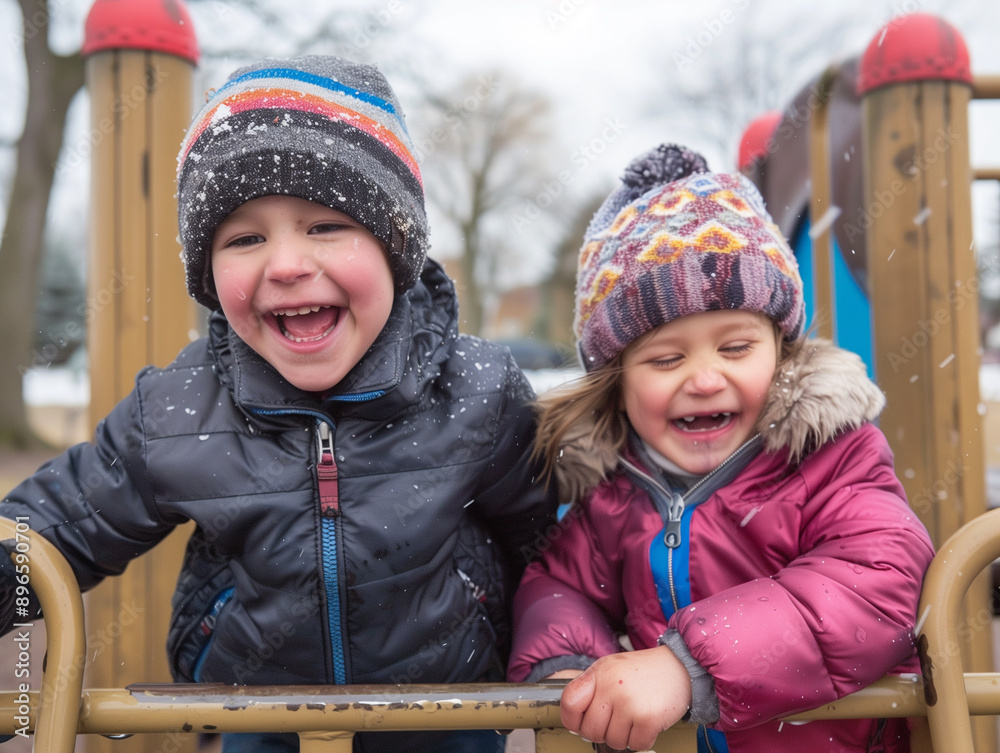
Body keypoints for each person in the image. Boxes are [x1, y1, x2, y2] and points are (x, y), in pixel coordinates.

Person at [0, 55, 557, 753]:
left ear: (395, 247)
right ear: (209, 274)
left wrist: (560, 647)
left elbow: (554, 539)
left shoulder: (477, 390)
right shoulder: (181, 406)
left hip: (444, 715)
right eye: (245, 238)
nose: (287, 263)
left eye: (325, 226)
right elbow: (65, 519)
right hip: (258, 715)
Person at [507, 144, 935, 753]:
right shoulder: (615, 489)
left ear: (781, 350)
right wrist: (572, 666)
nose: (705, 379)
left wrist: (689, 666)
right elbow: (560, 585)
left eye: (735, 348)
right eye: (666, 358)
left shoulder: (832, 458)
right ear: (618, 381)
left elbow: (877, 577)